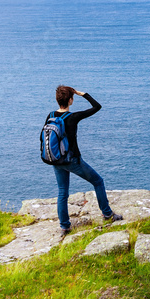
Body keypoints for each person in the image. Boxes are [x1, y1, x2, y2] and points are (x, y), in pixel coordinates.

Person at [50, 85, 122, 234]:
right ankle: (107, 214)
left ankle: (64, 226)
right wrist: (84, 94)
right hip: (72, 160)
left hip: (56, 160)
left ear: (57, 100)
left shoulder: (50, 115)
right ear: (71, 100)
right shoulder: (73, 117)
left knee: (62, 191)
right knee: (98, 181)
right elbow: (97, 106)